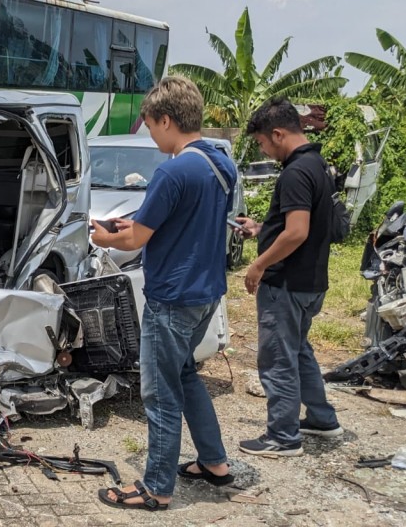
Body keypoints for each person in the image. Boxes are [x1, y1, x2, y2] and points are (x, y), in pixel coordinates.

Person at [91, 76, 237, 511]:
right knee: (186, 375)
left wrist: (104, 237)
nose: (151, 135)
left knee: (160, 393)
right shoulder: (219, 163)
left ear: (167, 119)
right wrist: (132, 229)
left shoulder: (173, 171)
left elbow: (135, 239)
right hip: (206, 294)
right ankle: (214, 463)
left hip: (171, 297)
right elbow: (180, 222)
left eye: (150, 126)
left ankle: (156, 488)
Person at [235, 98, 343, 457]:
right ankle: (322, 419)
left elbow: (296, 232)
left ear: (278, 134)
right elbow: (298, 225)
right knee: (299, 352)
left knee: (279, 358)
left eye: (263, 142)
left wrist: (259, 264)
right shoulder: (317, 165)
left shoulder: (295, 172)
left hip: (286, 282)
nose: (264, 149)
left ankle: (282, 436)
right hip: (311, 282)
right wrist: (261, 228)